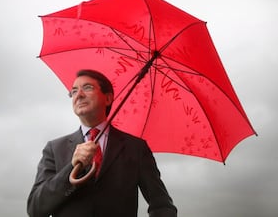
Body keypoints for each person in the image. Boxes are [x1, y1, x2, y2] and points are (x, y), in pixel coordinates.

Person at [27, 69, 177, 217]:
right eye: (73, 91)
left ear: (108, 98)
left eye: (87, 88)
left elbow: (162, 204)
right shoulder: (54, 149)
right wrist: (72, 168)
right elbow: (35, 208)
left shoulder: (135, 148)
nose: (78, 95)